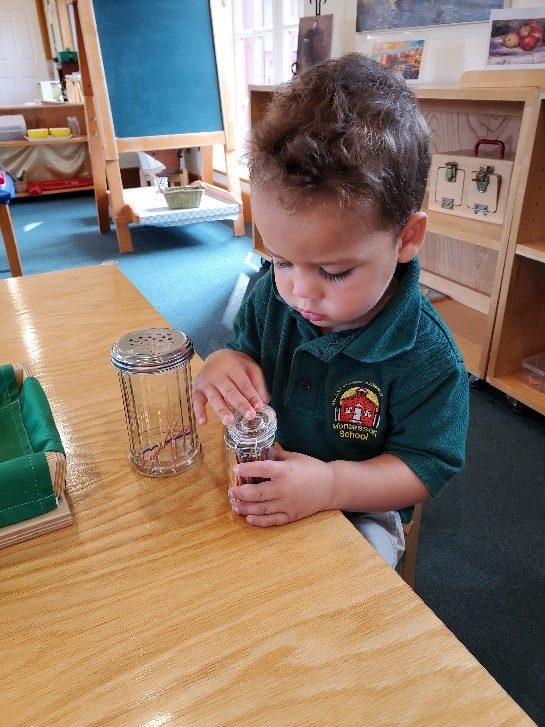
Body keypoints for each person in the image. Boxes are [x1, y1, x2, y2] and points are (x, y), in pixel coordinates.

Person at [193, 53, 469, 568]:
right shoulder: (273, 298)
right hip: (266, 473)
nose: (300, 292)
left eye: (335, 273)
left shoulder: (429, 358)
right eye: (280, 261)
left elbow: (424, 467)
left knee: (343, 590)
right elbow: (241, 349)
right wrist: (225, 361)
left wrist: (330, 485)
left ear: (406, 237)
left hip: (360, 505)